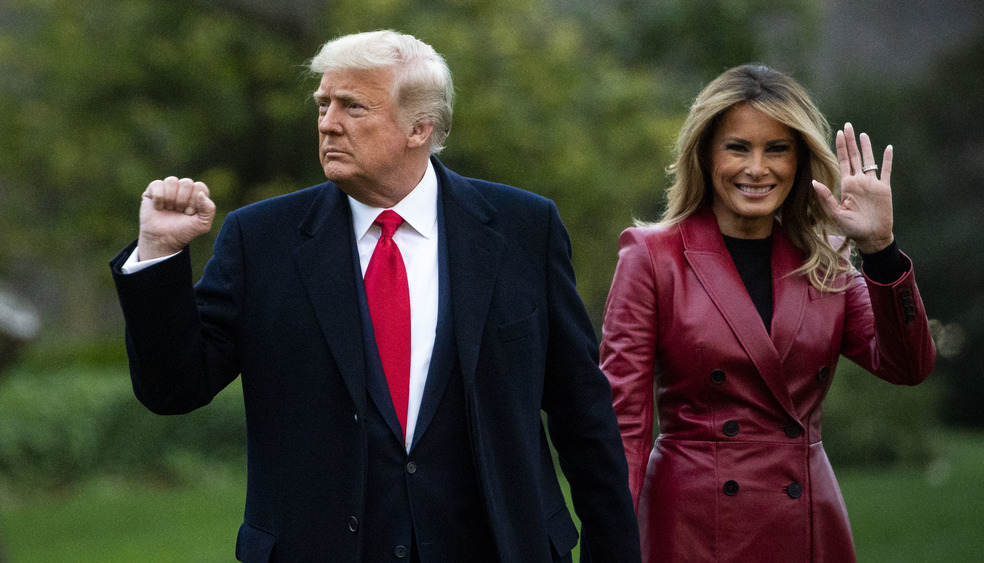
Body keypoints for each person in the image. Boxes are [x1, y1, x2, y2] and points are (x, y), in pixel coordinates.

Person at [110, 30, 640, 563]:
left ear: (420, 127)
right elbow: (172, 388)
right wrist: (158, 251)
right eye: (323, 103)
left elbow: (582, 413)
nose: (327, 122)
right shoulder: (261, 239)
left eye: (353, 106)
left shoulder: (525, 228)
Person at [598, 64, 936, 562]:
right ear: (706, 154)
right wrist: (613, 543)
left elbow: (908, 366)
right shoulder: (652, 257)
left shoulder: (827, 258)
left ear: (799, 161)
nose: (758, 169)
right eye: (738, 147)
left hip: (806, 525)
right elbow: (623, 422)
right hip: (690, 527)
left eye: (777, 149)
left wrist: (880, 248)